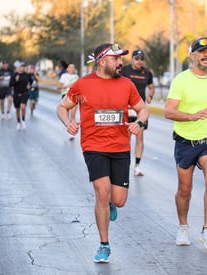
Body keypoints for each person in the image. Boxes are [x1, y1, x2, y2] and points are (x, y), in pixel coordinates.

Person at [56, 43, 148, 263]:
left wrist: (140, 123)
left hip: (120, 148)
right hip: (93, 146)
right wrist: (68, 122)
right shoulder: (82, 84)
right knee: (102, 192)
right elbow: (62, 107)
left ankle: (110, 204)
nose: (120, 62)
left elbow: (142, 109)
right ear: (102, 61)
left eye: (120, 59)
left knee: (119, 199)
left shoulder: (126, 84)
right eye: (116, 59)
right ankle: (104, 245)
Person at [164, 37, 207, 250]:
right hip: (185, 141)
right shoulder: (181, 80)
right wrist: (191, 116)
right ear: (192, 55)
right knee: (185, 189)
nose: (206, 55)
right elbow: (168, 111)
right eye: (201, 51)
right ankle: (183, 227)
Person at [121, 49, 155, 176]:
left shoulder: (147, 73)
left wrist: (150, 96)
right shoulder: (124, 70)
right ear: (132, 59)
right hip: (126, 108)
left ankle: (137, 166)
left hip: (140, 110)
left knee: (139, 138)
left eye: (141, 59)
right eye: (137, 58)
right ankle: (124, 164)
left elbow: (151, 87)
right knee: (126, 139)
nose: (139, 61)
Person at [57, 63, 79, 140]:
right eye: (70, 67)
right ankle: (67, 124)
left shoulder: (76, 77)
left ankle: (72, 134)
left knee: (72, 115)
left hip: (74, 96)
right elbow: (59, 87)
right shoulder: (64, 76)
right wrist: (68, 86)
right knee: (66, 114)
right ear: (67, 69)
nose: (71, 69)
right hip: (65, 95)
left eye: (73, 67)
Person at [10, 63, 32, 130]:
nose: (22, 68)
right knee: (17, 109)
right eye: (21, 67)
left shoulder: (27, 75)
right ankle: (18, 122)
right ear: (18, 68)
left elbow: (31, 81)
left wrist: (29, 86)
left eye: (23, 67)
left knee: (23, 106)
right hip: (16, 93)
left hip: (24, 93)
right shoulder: (14, 75)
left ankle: (23, 121)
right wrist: (16, 81)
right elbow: (10, 84)